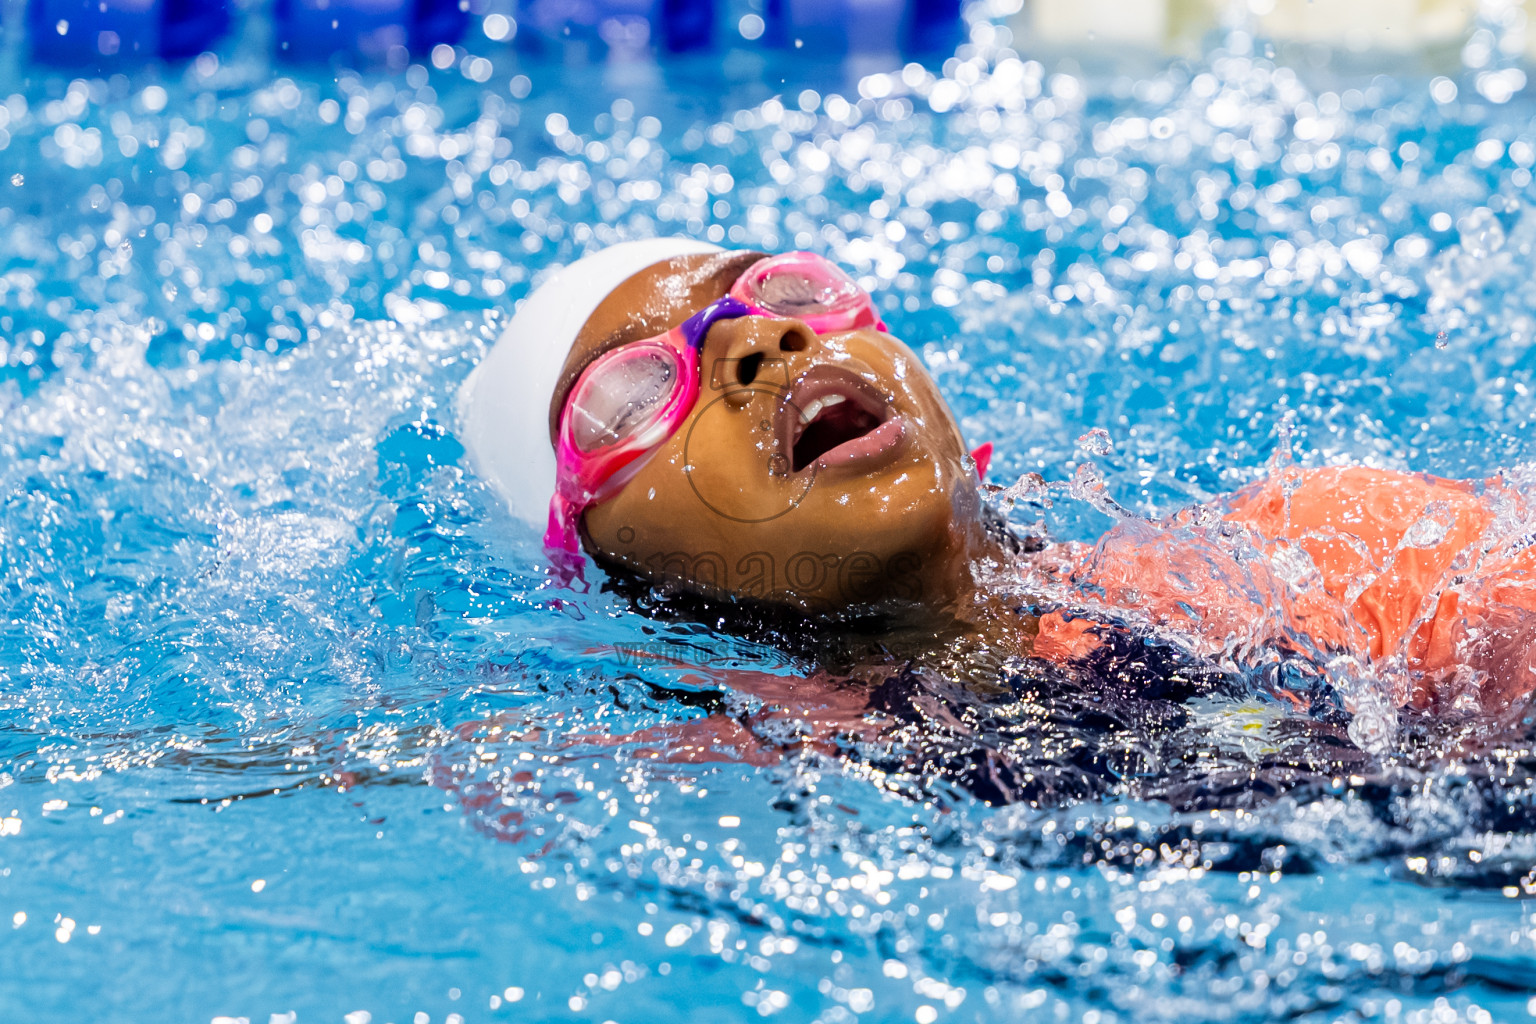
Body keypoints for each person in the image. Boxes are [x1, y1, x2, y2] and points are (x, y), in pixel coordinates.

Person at [457, 239, 1536, 726]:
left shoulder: (1318, 555)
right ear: (595, 562)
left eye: (783, 288)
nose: (764, 341)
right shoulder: (688, 775)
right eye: (635, 396)